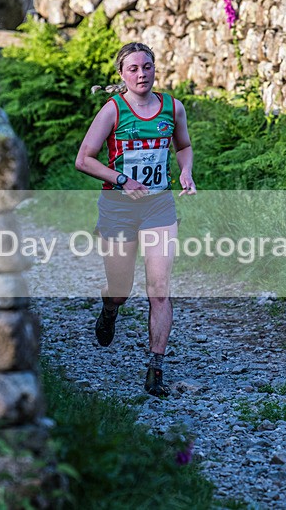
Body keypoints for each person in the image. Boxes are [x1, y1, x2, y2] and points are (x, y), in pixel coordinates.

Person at [74, 42, 196, 397]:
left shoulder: (173, 108)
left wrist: (186, 172)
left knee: (159, 291)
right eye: (133, 69)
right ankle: (109, 310)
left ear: (155, 68)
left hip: (159, 207)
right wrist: (122, 179)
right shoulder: (113, 110)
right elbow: (84, 159)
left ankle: (155, 367)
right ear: (122, 74)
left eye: (147, 67)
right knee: (121, 289)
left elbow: (183, 146)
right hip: (118, 209)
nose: (141, 74)